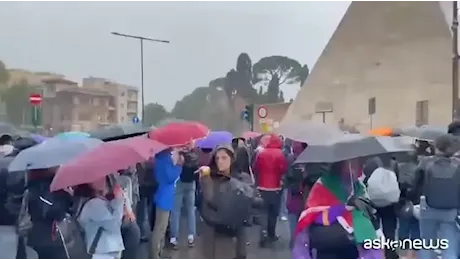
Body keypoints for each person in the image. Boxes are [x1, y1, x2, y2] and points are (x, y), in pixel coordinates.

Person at [292, 159, 383, 260]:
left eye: (358, 163)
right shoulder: (323, 185)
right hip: (329, 242)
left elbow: (366, 215)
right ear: (339, 164)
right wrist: (344, 208)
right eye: (351, 163)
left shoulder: (358, 186)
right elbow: (314, 215)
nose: (356, 167)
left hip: (354, 245)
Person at [198, 145, 253, 260]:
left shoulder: (242, 178)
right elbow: (210, 201)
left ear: (232, 159)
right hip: (216, 230)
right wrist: (205, 180)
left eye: (224, 158)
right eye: (217, 158)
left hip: (236, 231)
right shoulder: (211, 178)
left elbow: (251, 201)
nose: (220, 161)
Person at [411, 134, 460, 260]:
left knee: (427, 242)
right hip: (451, 210)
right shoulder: (458, 164)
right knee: (450, 245)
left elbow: (415, 184)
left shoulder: (425, 162)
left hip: (428, 207)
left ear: (436, 146)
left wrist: (414, 199)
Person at [27, 168, 72, 260]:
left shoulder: (31, 188)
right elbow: (58, 213)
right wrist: (68, 196)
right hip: (52, 236)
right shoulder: (53, 189)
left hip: (36, 234)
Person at [76, 177, 125, 260]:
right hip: (101, 252)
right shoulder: (93, 204)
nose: (102, 180)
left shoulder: (102, 201)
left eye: (104, 178)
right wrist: (119, 200)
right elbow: (114, 223)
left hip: (106, 251)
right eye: (96, 179)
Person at [253, 134, 288, 246]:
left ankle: (263, 234)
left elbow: (255, 168)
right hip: (275, 187)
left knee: (263, 212)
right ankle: (271, 234)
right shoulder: (280, 154)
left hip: (262, 186)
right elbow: (283, 169)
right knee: (273, 213)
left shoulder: (262, 153)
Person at [150, 148, 183, 260]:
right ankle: (155, 255)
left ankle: (160, 251)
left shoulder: (160, 157)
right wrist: (179, 165)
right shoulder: (165, 158)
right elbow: (170, 177)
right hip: (164, 197)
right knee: (160, 228)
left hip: (164, 196)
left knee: (162, 228)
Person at [170, 149, 199, 249]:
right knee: (191, 211)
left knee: (176, 211)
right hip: (191, 184)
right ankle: (191, 236)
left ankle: (174, 238)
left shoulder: (178, 153)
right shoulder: (195, 155)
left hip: (179, 183)